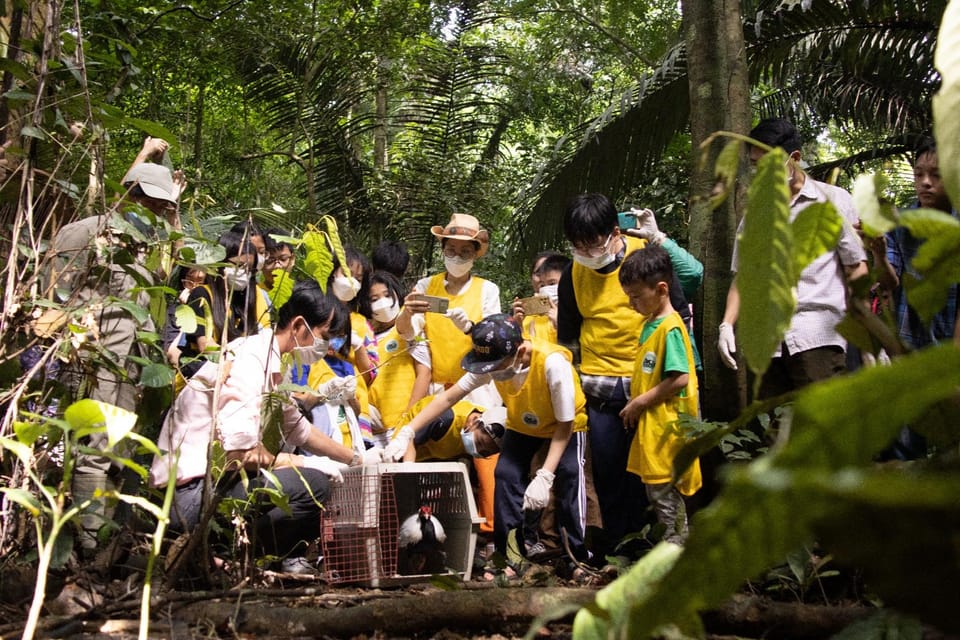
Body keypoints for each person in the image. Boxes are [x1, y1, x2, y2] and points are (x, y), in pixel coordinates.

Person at [149, 281, 383, 574]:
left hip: (203, 489)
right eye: (324, 336)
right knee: (315, 485)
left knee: (316, 478)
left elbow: (298, 429)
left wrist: (355, 458)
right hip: (190, 495)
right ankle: (215, 556)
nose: (326, 348)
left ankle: (224, 560)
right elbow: (238, 454)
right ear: (299, 326)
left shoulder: (271, 360)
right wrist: (303, 462)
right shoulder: (251, 361)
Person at [46, 137, 186, 550]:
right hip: (91, 359)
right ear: (129, 195)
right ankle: (87, 548)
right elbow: (53, 295)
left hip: (129, 365)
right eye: (151, 203)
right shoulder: (84, 233)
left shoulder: (145, 247)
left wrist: (173, 210)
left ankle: (103, 544)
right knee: (92, 450)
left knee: (116, 452)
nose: (157, 212)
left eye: (162, 207)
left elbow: (176, 260)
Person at [385, 314, 589, 562]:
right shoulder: (493, 363)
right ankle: (512, 556)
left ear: (520, 350)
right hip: (523, 424)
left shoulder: (552, 365)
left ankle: (576, 557)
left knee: (568, 475)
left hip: (564, 425)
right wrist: (409, 430)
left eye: (496, 365)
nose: (492, 372)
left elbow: (565, 424)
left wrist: (545, 475)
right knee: (506, 475)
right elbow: (448, 398)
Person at [556, 193, 697, 547]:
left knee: (657, 477)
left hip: (651, 391)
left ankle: (665, 551)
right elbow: (569, 338)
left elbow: (677, 314)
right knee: (610, 476)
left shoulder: (645, 258)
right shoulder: (574, 274)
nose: (586, 252)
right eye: (577, 245)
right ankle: (623, 553)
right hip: (601, 392)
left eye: (592, 243)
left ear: (614, 232)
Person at [717, 118, 868, 397]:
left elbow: (856, 269)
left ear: (794, 158)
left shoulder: (834, 201)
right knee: (775, 433)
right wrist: (727, 324)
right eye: (755, 166)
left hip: (818, 336)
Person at [395, 213, 503, 538]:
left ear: (475, 253)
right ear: (442, 248)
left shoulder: (487, 290)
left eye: (465, 251)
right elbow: (409, 335)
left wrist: (470, 328)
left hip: (478, 388)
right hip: (438, 390)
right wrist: (406, 312)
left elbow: (496, 341)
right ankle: (425, 533)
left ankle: (489, 535)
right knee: (424, 459)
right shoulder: (426, 286)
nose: (457, 257)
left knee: (487, 464)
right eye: (451, 249)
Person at [870, 138, 956, 459]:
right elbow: (888, 282)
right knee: (905, 445)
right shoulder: (901, 225)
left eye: (936, 174)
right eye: (919, 174)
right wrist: (878, 253)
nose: (925, 183)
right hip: (912, 348)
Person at [618, 245, 701, 544]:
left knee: (668, 504)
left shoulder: (670, 328)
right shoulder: (650, 324)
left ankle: (676, 566)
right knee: (658, 499)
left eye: (636, 296)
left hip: (668, 432)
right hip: (653, 431)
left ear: (662, 288)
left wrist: (639, 402)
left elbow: (680, 378)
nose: (631, 304)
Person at [175, 230, 270, 380]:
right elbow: (205, 345)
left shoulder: (244, 300)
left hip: (234, 376)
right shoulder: (201, 295)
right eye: (238, 265)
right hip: (201, 380)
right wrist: (239, 360)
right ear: (221, 263)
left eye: (248, 268)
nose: (243, 273)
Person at [366, 271, 433, 445]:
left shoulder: (410, 327)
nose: (382, 302)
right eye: (374, 299)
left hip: (405, 425)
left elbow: (424, 373)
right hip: (375, 431)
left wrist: (408, 420)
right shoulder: (365, 335)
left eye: (387, 295)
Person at [399, 397, 504, 461]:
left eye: (485, 453)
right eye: (479, 443)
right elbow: (409, 439)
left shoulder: (473, 428)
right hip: (397, 443)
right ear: (475, 420)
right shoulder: (445, 417)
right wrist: (408, 470)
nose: (478, 451)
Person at [260, 227, 296, 301]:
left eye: (283, 259)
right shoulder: (254, 294)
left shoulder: (303, 294)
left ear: (292, 259)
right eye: (270, 260)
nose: (277, 266)